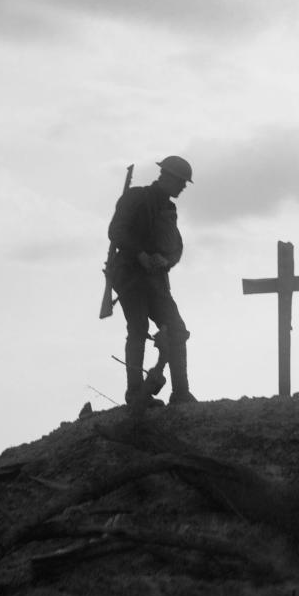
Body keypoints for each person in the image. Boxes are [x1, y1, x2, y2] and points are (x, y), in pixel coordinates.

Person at [107, 155, 197, 407]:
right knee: (138, 328)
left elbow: (174, 246)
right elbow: (116, 231)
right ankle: (135, 392)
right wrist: (140, 254)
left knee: (176, 329)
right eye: (180, 181)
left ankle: (181, 393)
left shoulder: (169, 209)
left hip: (155, 278)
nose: (182, 186)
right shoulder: (135, 198)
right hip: (130, 276)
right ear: (167, 177)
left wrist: (164, 260)